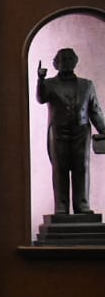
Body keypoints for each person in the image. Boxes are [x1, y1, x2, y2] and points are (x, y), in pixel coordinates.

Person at [37, 47, 105, 214]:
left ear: (75, 62)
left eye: (69, 59)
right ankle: (61, 205)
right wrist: (40, 80)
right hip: (58, 132)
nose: (66, 62)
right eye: (63, 59)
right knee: (60, 169)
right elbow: (41, 98)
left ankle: (82, 204)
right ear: (56, 63)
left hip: (81, 131)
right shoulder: (49, 84)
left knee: (81, 168)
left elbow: (95, 110)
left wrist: (103, 129)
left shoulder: (86, 85)